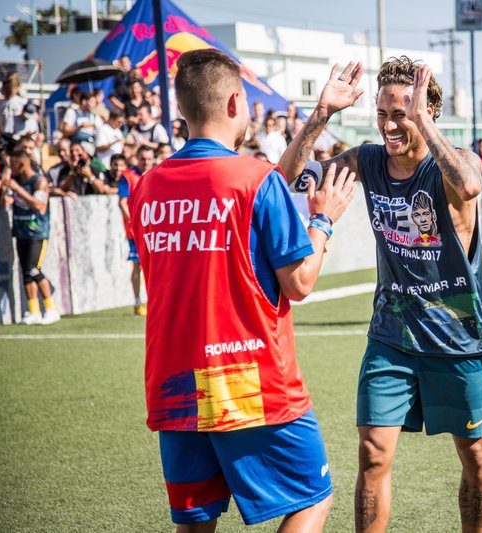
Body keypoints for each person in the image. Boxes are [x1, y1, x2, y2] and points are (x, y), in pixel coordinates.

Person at [129, 48, 355, 531]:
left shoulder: (146, 186)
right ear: (235, 103)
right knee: (313, 499)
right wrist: (323, 220)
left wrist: (321, 114)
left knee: (194, 522)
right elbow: (299, 283)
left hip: (175, 381)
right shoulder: (253, 180)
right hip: (247, 377)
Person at [279, 56, 482, 533]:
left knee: (476, 456)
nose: (388, 125)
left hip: (457, 338)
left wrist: (421, 119)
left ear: (428, 112)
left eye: (400, 113)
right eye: (383, 113)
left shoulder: (455, 163)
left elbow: (468, 184)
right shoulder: (368, 160)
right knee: (372, 453)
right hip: (391, 335)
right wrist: (322, 114)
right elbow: (289, 179)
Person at [2, 150, 60, 325]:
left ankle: (51, 309)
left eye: (13, 165)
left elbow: (39, 205)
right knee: (26, 273)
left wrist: (18, 190)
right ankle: (33, 310)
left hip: (37, 233)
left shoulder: (39, 182)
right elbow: (4, 188)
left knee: (34, 269)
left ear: (22, 164)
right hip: (21, 231)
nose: (11, 168)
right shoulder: (16, 180)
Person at [118, 145, 154, 316]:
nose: (146, 162)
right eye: (143, 159)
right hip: (136, 232)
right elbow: (122, 203)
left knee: (153, 267)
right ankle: (138, 302)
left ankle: (153, 301)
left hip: (154, 230)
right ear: (136, 159)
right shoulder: (129, 177)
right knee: (138, 266)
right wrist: (136, 222)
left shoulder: (157, 173)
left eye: (149, 159)